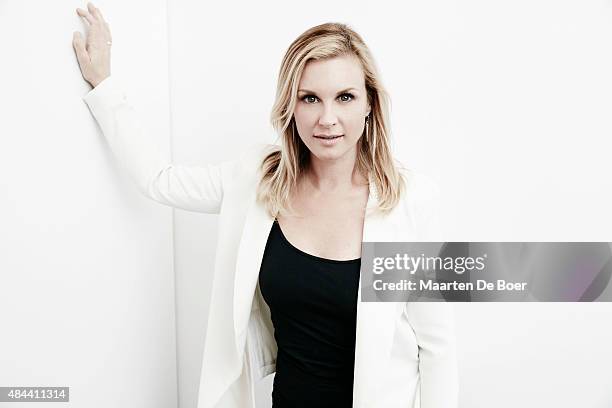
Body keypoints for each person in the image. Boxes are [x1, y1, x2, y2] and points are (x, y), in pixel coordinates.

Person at [73, 2, 458, 407]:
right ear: (290, 107)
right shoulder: (257, 182)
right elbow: (159, 180)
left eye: (344, 97)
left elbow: (437, 347)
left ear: (369, 104)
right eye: (310, 98)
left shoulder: (409, 200)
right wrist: (103, 84)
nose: (327, 118)